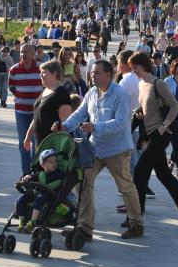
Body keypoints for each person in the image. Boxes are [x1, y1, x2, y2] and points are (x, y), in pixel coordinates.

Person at [60, 59, 143, 240]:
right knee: (82, 183)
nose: (92, 76)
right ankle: (85, 227)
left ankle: (136, 224)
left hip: (117, 149)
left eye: (97, 73)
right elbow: (80, 113)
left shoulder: (119, 93)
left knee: (125, 187)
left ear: (108, 75)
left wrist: (95, 127)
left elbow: (122, 123)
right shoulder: (91, 93)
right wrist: (65, 127)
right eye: (92, 72)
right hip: (95, 148)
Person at [129, 52, 178, 225]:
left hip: (161, 135)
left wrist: (164, 125)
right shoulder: (142, 84)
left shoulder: (158, 83)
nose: (133, 71)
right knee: (164, 174)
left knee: (140, 173)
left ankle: (136, 215)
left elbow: (174, 105)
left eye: (134, 67)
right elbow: (146, 107)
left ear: (142, 66)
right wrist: (140, 114)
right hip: (150, 134)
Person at [16, 148, 71, 233]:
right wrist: (26, 178)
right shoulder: (40, 174)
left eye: (55, 161)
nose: (54, 164)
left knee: (39, 198)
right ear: (43, 165)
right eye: (50, 162)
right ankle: (22, 221)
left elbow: (64, 181)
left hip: (50, 196)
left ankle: (33, 222)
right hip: (38, 194)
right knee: (21, 199)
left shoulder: (59, 173)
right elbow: (31, 177)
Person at [9, 44, 43, 174]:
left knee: (37, 142)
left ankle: (36, 171)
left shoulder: (41, 68)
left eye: (27, 52)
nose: (23, 54)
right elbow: (12, 87)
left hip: (38, 112)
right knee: (23, 142)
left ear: (34, 53)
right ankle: (26, 172)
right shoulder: (14, 69)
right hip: (21, 112)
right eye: (22, 52)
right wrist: (23, 95)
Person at [23, 60, 72, 149]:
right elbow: (37, 116)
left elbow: (66, 125)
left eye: (43, 72)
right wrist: (28, 136)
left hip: (53, 148)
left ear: (54, 73)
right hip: (41, 144)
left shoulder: (61, 94)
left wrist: (61, 151)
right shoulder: (46, 90)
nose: (40, 75)